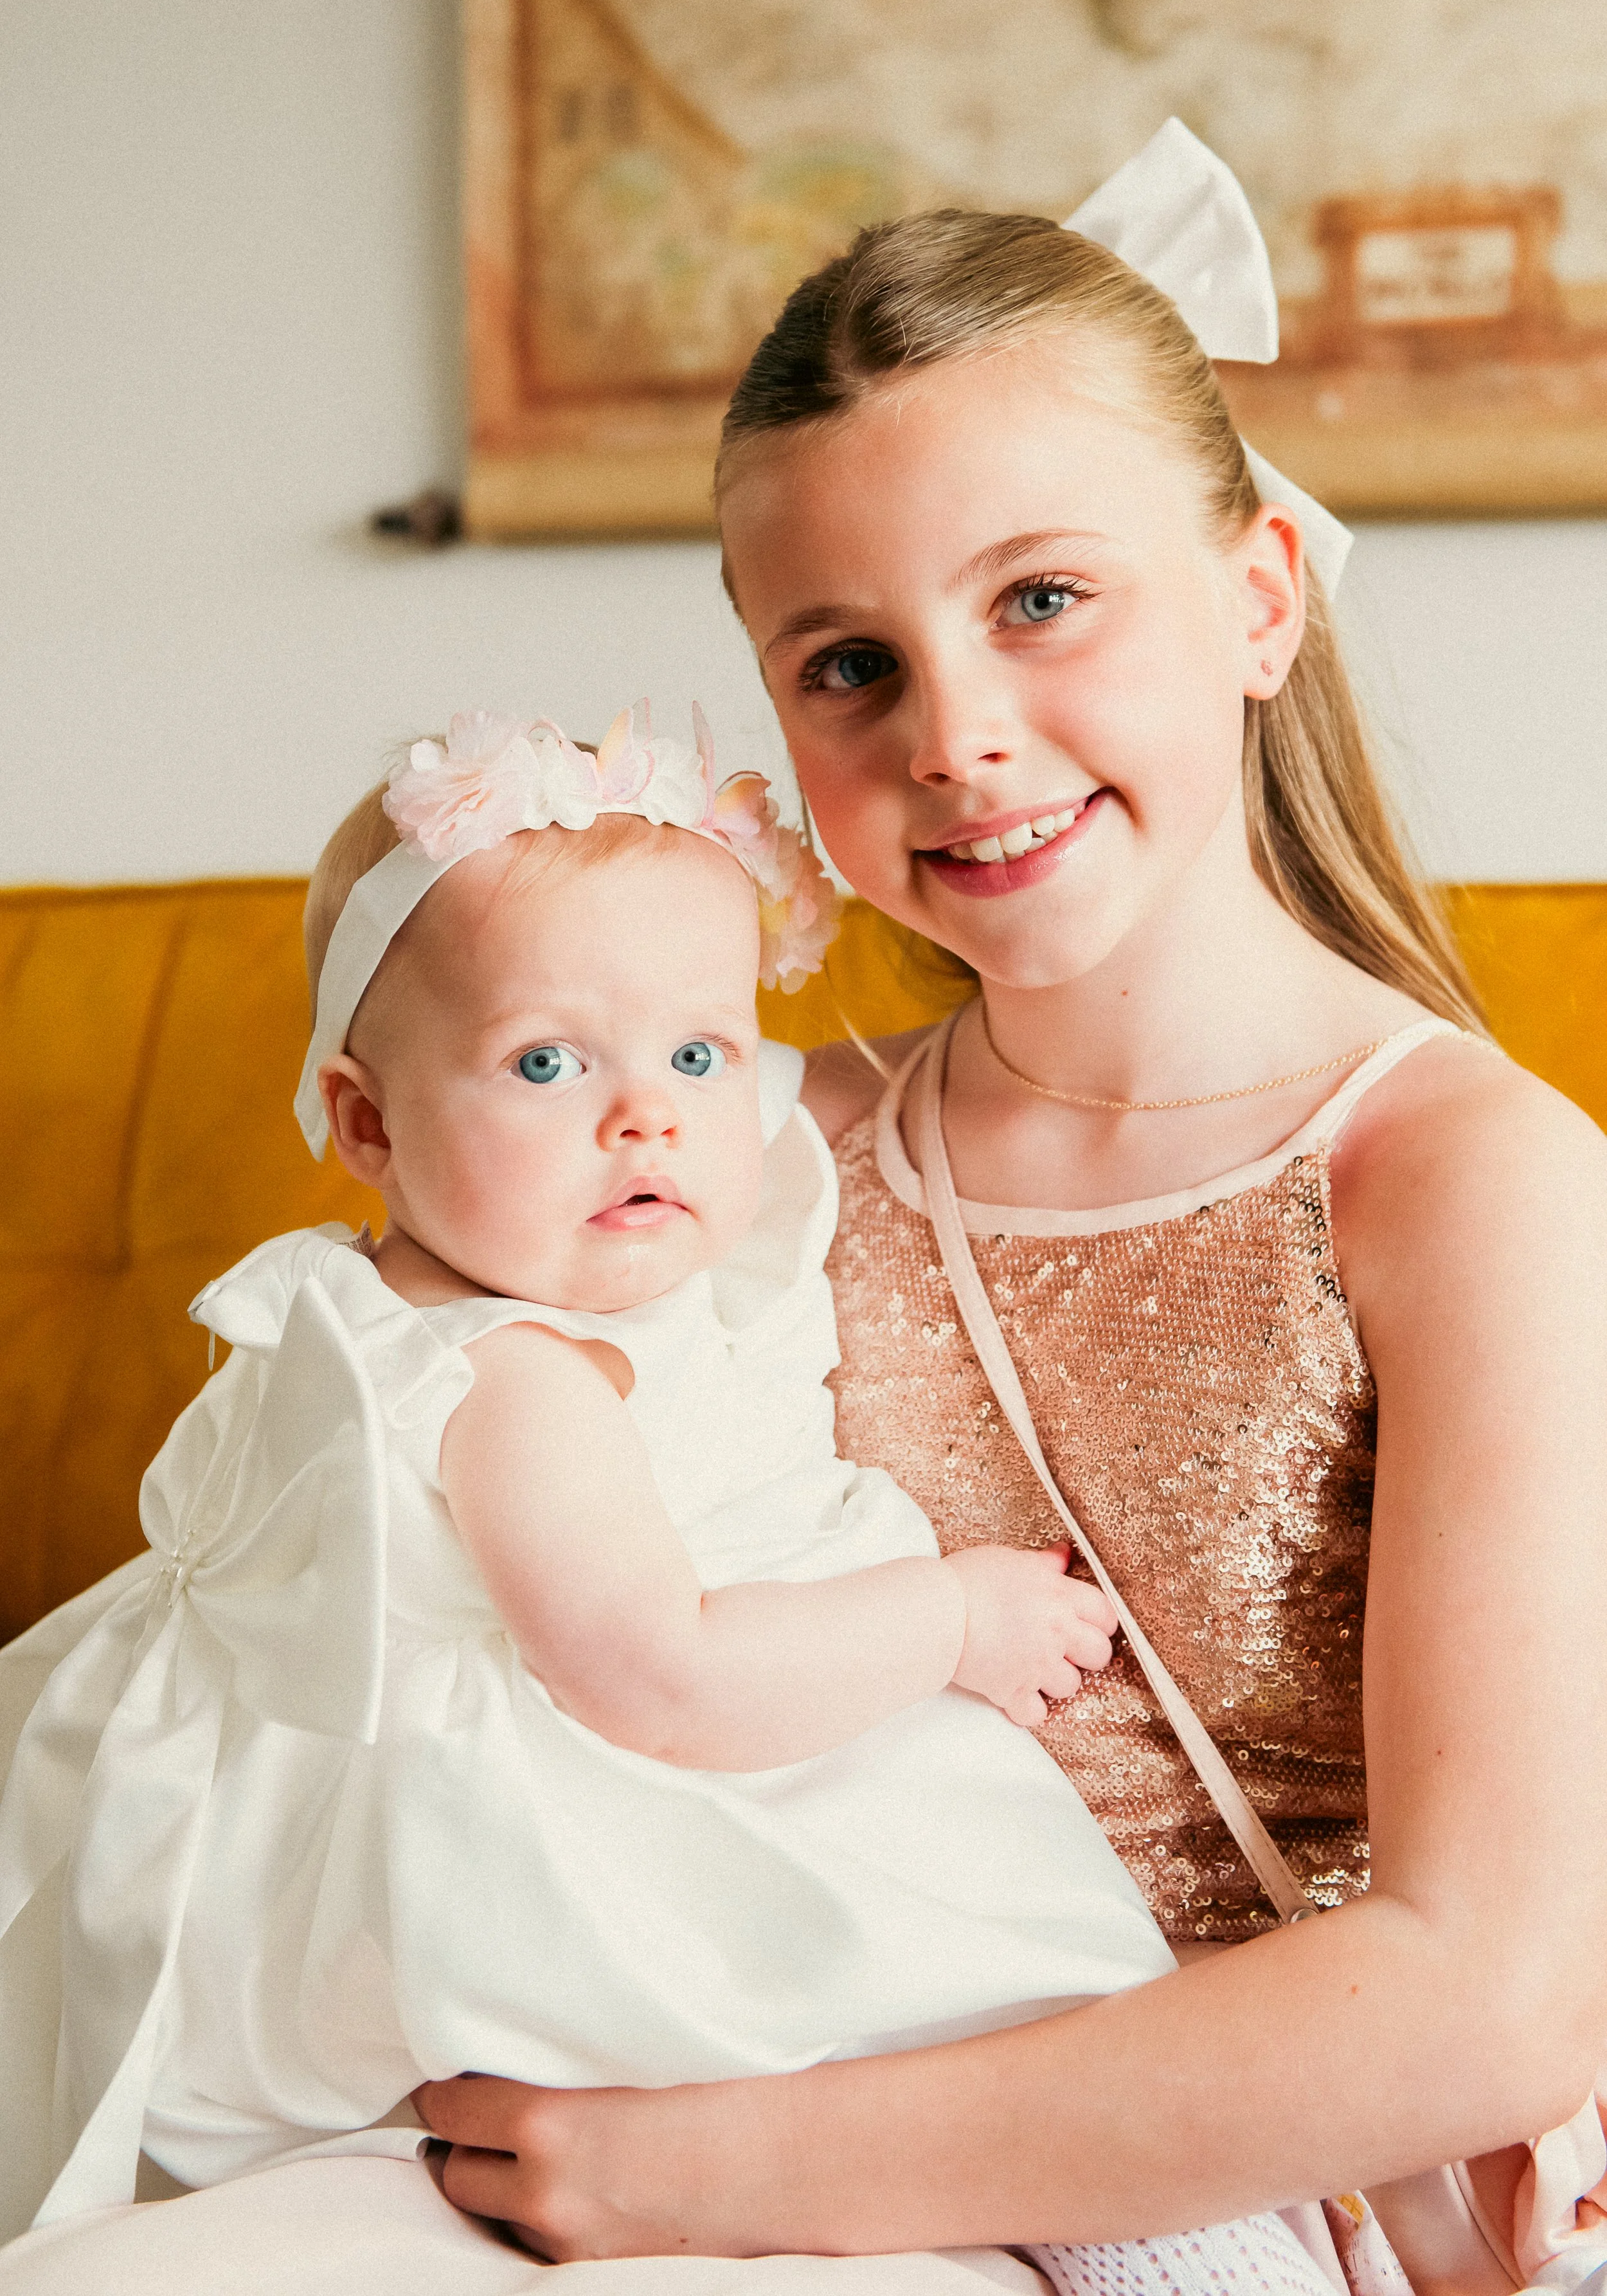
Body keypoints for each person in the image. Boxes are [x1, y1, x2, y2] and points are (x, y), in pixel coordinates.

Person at [3, 123, 1604, 2295]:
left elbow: (1487, 1987)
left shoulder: (1467, 1179)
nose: (956, 734)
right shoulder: (734, 1147)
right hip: (727, 2015)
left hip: (1209, 2173)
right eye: (846, 662)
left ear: (1258, 595)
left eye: (1043, 596)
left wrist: (690, 2171)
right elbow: (434, 1478)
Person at [0, 700, 1342, 2296]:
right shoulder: (512, 1380)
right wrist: (952, 1614)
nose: (644, 1114)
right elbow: (660, 1672)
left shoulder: (543, 1305)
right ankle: (1174, 2235)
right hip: (626, 1848)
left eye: (699, 1052)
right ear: (364, 1120)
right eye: (547, 1060)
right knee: (923, 1988)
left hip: (634, 1808)